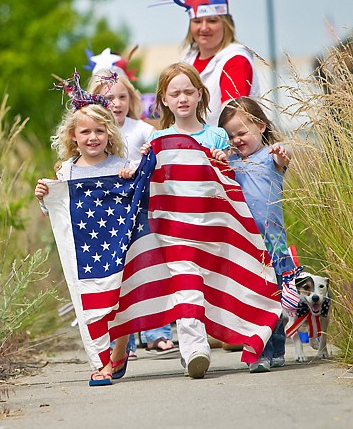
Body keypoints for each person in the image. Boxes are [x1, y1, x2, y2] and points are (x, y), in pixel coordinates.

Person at [35, 76, 136, 386]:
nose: (93, 137)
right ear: (73, 136)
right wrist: (44, 198)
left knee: (120, 303)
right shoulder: (66, 171)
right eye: (85, 132)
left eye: (99, 131)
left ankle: (120, 348)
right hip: (85, 252)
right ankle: (101, 361)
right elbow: (59, 213)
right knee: (92, 303)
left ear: (110, 133)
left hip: (119, 247)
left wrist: (133, 177)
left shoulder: (122, 165)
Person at [140, 62, 230, 378]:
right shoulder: (158, 139)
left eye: (188, 92)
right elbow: (149, 181)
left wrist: (224, 160)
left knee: (211, 284)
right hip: (175, 226)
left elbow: (230, 180)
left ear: (199, 95)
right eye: (174, 93)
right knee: (186, 283)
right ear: (164, 99)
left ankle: (239, 334)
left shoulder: (217, 136)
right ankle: (194, 349)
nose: (182, 99)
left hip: (212, 224)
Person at [87, 65, 175, 353]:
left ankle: (156, 330)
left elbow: (156, 164)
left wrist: (137, 167)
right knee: (115, 273)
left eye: (122, 97)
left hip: (141, 209)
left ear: (131, 99)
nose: (116, 103)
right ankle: (119, 342)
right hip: (109, 214)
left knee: (146, 265)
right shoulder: (94, 132)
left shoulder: (143, 130)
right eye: (108, 98)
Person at [218, 96, 295, 373]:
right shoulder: (233, 163)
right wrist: (222, 161)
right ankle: (258, 351)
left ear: (261, 126)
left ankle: (276, 346)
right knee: (254, 298)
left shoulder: (271, 156)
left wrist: (279, 156)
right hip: (246, 243)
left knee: (274, 298)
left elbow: (280, 160)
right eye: (230, 135)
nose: (237, 139)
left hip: (273, 241)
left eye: (242, 132)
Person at [166, 0, 261, 127]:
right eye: (197, 21)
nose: (204, 28)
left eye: (212, 20)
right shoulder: (188, 59)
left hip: (224, 146)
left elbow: (232, 115)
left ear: (226, 23)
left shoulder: (235, 59)